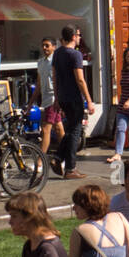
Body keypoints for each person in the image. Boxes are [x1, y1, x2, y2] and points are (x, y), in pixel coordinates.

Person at [52, 24, 96, 179]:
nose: (79, 37)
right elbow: (80, 79)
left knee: (71, 130)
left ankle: (58, 157)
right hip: (74, 98)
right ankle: (70, 168)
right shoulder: (75, 55)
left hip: (63, 97)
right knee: (75, 132)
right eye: (78, 35)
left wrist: (57, 98)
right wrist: (89, 101)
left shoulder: (57, 53)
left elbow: (55, 77)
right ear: (73, 37)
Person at [35, 37, 65, 158]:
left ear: (54, 47)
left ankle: (40, 161)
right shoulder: (40, 62)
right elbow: (38, 85)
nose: (44, 48)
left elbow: (62, 81)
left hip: (54, 99)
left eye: (47, 45)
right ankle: (67, 155)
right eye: (43, 45)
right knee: (59, 129)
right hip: (45, 99)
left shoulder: (57, 62)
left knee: (46, 129)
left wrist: (59, 100)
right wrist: (31, 103)